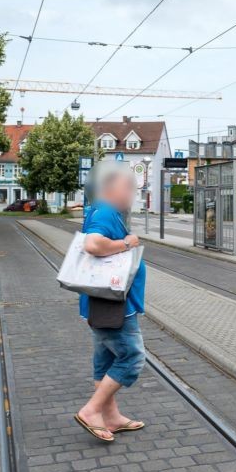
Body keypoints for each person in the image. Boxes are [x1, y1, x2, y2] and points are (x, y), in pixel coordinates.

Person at [75, 166, 146, 442]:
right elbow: (93, 245)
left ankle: (112, 417)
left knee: (104, 361)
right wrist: (127, 243)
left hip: (102, 303)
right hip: (114, 305)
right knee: (132, 357)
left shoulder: (101, 210)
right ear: (110, 188)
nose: (131, 194)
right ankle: (92, 411)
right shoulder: (105, 211)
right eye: (128, 188)